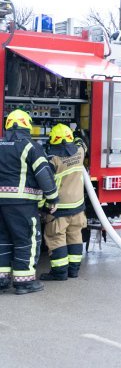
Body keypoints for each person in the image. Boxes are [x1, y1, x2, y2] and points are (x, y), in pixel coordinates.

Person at [0, 110, 59, 295]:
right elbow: (43, 173)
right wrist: (52, 198)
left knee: (2, 240)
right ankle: (24, 282)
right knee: (26, 240)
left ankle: (1, 280)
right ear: (27, 124)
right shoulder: (29, 146)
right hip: (22, 204)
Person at [40, 124, 87, 281]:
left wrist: (42, 206)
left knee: (56, 237)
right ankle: (74, 270)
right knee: (75, 235)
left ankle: (59, 273)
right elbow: (81, 142)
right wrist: (76, 134)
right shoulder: (80, 152)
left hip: (58, 209)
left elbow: (45, 182)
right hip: (78, 206)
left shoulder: (52, 160)